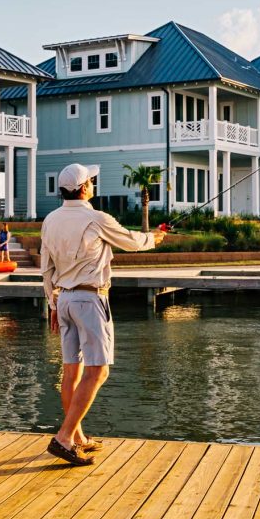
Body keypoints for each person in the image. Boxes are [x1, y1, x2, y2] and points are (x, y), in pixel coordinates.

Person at [41, 163, 165, 466]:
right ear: (84, 188)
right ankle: (64, 438)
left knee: (72, 371)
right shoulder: (96, 218)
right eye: (92, 181)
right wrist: (155, 237)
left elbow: (46, 267)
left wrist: (53, 304)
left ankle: (78, 437)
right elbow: (132, 242)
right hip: (90, 299)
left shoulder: (50, 220)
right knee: (99, 371)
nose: (94, 184)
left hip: (65, 300)